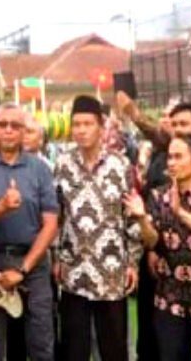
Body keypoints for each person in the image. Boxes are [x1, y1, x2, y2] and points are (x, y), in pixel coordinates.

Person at [124, 135, 191, 361]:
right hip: (169, 301)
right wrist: (142, 219)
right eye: (169, 157)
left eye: (178, 157)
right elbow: (152, 242)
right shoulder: (157, 196)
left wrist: (180, 212)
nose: (171, 162)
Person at [54, 95, 142, 361]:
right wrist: (56, 257)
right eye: (76, 124)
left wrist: (133, 262)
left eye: (87, 124)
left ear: (101, 127)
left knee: (114, 348)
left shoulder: (121, 165)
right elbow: (56, 216)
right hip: (73, 270)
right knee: (74, 348)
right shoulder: (62, 164)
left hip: (111, 270)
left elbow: (132, 216)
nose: (81, 130)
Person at [0, 104, 58, 361]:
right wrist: (1, 208)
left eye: (15, 126)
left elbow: (51, 224)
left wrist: (23, 269)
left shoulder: (40, 169)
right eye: (3, 124)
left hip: (34, 262)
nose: (8, 130)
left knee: (41, 344)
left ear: (23, 131)